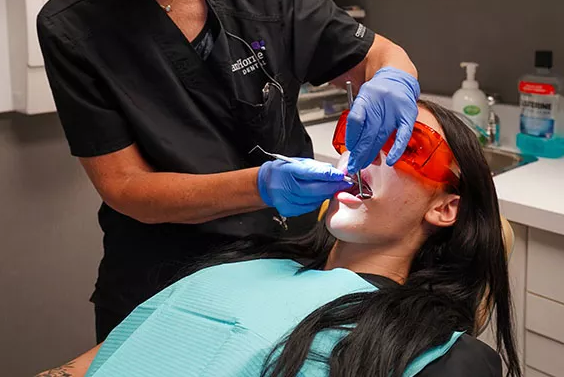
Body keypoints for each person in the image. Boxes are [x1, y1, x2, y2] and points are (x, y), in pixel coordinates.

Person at [39, 0, 420, 341]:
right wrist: (260, 186)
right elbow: (126, 188)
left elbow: (377, 53)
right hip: (167, 281)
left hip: (290, 263)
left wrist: (392, 77)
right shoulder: (74, 26)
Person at [36, 101, 521, 377]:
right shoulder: (233, 269)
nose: (364, 152)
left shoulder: (440, 357)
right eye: (360, 135)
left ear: (445, 207)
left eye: (404, 145)